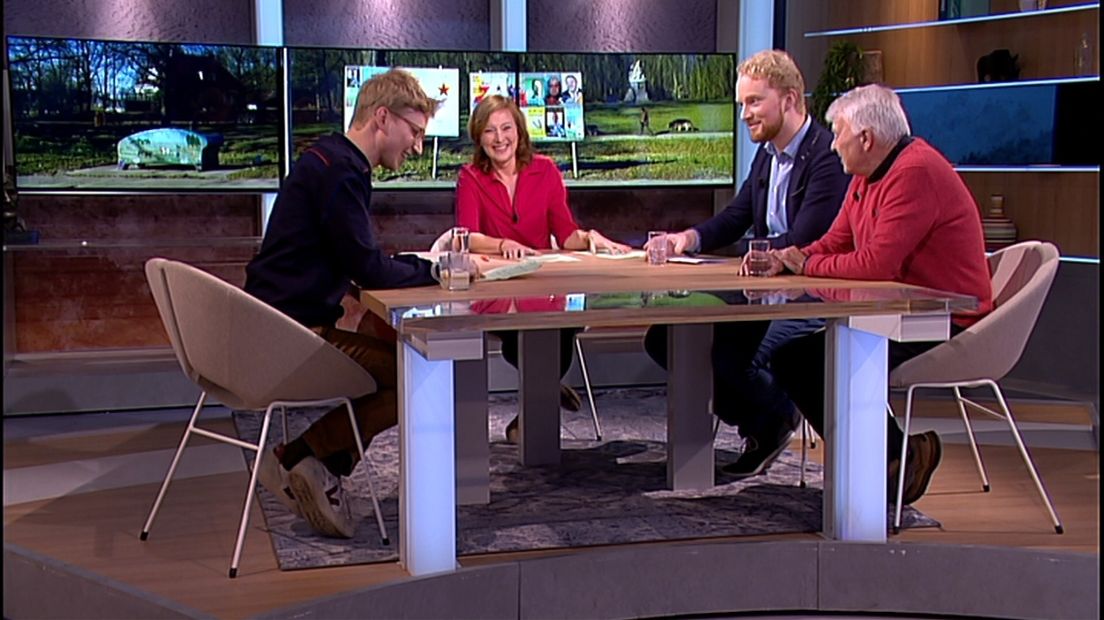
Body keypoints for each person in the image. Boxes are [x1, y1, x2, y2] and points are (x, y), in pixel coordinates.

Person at [762, 84, 995, 506]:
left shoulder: (915, 172)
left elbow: (874, 265)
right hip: (897, 313)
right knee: (794, 356)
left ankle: (892, 459)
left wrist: (806, 265)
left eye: (838, 133)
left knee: (811, 359)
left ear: (866, 138)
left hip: (944, 319)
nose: (833, 146)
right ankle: (891, 458)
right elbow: (834, 242)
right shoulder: (867, 175)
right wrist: (790, 257)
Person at [244, 68, 444, 539]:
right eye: (414, 132)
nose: (416, 146)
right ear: (381, 118)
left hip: (267, 324)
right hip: (290, 333)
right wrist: (432, 271)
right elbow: (370, 268)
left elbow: (349, 259)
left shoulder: (327, 159)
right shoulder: (342, 173)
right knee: (420, 372)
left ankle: (310, 463)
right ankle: (304, 459)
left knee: (403, 363)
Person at [642, 49, 849, 479]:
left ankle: (776, 415)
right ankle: (761, 421)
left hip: (807, 292)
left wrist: (748, 254)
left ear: (790, 100)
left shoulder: (827, 155)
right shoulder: (768, 153)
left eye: (754, 102)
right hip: (761, 288)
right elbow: (737, 215)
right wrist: (687, 239)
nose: (745, 115)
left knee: (730, 357)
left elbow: (805, 240)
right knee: (665, 338)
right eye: (742, 105)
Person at [456, 94, 630, 441]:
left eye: (506, 128)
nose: (499, 138)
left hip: (541, 284)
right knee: (516, 337)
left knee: (562, 325)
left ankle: (536, 402)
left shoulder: (546, 171)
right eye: (489, 131)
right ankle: (547, 388)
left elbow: (565, 234)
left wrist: (590, 236)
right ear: (479, 137)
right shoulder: (471, 177)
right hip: (496, 287)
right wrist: (502, 244)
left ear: (519, 132)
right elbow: (467, 236)